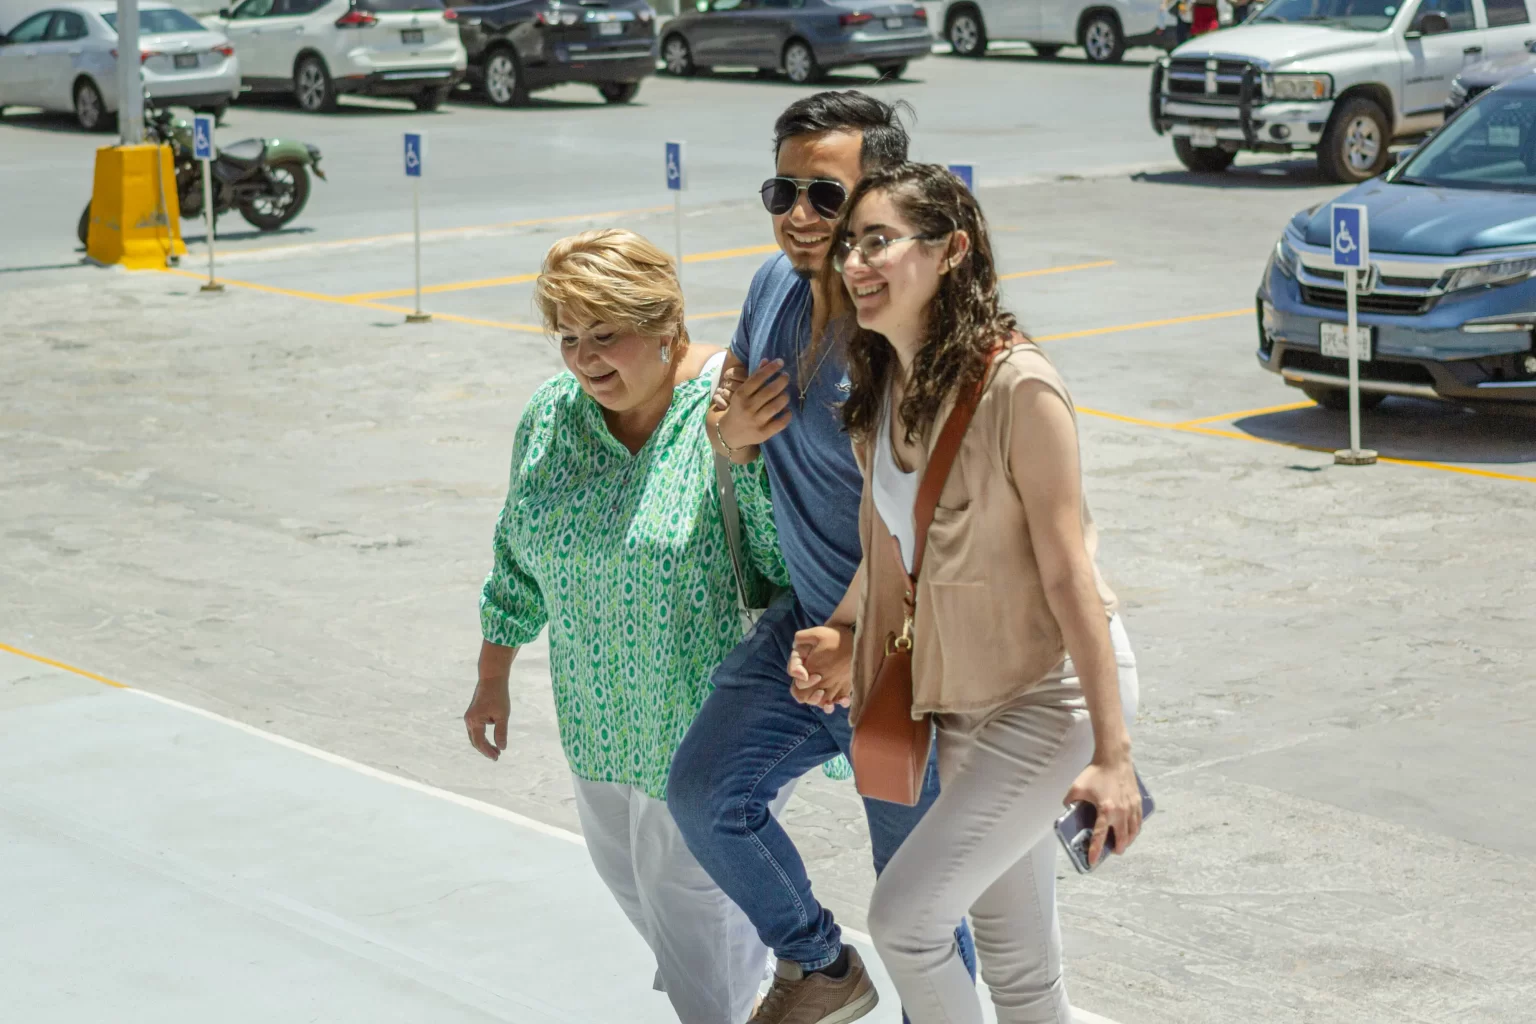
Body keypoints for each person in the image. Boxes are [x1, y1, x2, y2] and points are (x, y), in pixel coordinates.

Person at [792, 162, 1143, 1024]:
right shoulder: (882, 390)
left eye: (878, 241)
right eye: (850, 246)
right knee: (1019, 966)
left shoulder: (1020, 387)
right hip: (959, 701)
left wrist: (1114, 753)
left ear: (950, 251)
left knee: (905, 922)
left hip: (1048, 697)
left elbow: (1068, 573)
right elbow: (892, 549)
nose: (855, 263)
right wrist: (844, 632)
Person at [666, 92, 975, 1024]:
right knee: (707, 795)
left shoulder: (906, 333)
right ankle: (819, 966)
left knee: (915, 902)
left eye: (824, 195)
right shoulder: (773, 285)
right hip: (807, 628)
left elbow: (935, 519)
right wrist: (727, 436)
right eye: (783, 191)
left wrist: (857, 631)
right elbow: (731, 413)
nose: (799, 215)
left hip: (904, 649)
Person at [464, 229, 793, 1024]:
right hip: (600, 721)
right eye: (568, 338)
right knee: (648, 898)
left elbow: (785, 559)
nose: (583, 359)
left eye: (605, 335)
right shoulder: (552, 416)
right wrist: (492, 675)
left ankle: (786, 981)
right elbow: (518, 552)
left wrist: (743, 455)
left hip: (716, 725)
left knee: (687, 905)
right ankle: (783, 984)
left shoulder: (729, 403)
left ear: (666, 325)